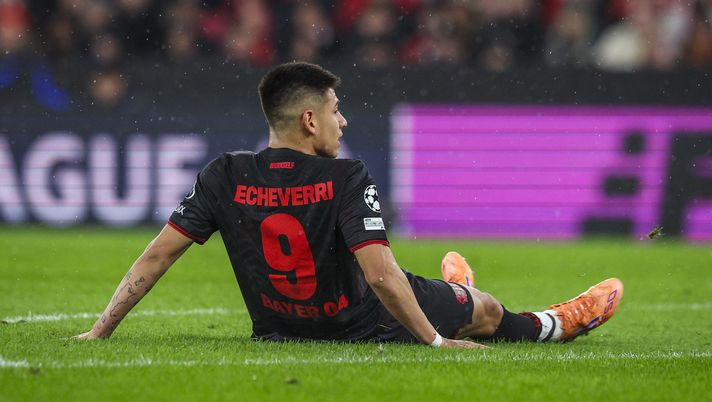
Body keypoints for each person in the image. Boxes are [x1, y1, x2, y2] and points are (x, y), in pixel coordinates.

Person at [75, 62, 623, 348]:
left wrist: (100, 331)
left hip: (281, 329)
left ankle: (457, 290)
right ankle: (555, 323)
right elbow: (383, 277)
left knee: (447, 294)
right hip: (367, 324)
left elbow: (157, 257)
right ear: (309, 120)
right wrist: (433, 342)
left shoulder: (223, 174)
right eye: (336, 110)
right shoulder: (345, 174)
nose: (344, 121)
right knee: (486, 311)